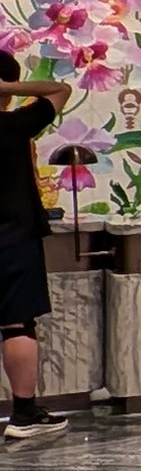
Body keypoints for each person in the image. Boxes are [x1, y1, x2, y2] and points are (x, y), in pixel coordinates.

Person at [0, 53, 73, 432]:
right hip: (12, 238)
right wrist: (9, 88)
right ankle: (25, 413)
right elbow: (60, 90)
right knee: (16, 324)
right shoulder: (13, 125)